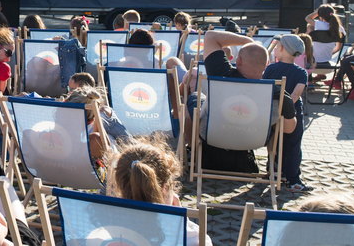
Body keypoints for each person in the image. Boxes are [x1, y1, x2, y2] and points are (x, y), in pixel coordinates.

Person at [183, 29, 297, 173]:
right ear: (266, 64)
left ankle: (191, 148)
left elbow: (211, 36)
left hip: (211, 134)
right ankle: (277, 168)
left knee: (194, 97)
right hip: (255, 140)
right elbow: (289, 129)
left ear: (238, 61)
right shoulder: (277, 92)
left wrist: (248, 41)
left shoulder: (222, 73)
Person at [104, 137, 213, 246]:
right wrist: (181, 222)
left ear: (120, 188)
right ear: (165, 188)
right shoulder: (194, 239)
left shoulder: (107, 235)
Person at [264, 34, 309, 191]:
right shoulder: (301, 72)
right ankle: (293, 179)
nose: (275, 49)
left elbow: (263, 90)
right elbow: (296, 96)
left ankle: (274, 170)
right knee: (293, 145)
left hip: (270, 112)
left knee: (273, 142)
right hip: (292, 114)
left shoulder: (270, 69)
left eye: (277, 47)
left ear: (282, 49)